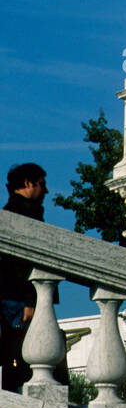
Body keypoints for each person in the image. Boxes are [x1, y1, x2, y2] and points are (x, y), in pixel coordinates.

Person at [0, 163, 48, 391]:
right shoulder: (28, 214)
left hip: (8, 294)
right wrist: (32, 299)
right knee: (21, 351)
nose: (45, 190)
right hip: (20, 297)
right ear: (28, 183)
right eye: (42, 184)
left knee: (12, 350)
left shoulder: (8, 212)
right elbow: (30, 262)